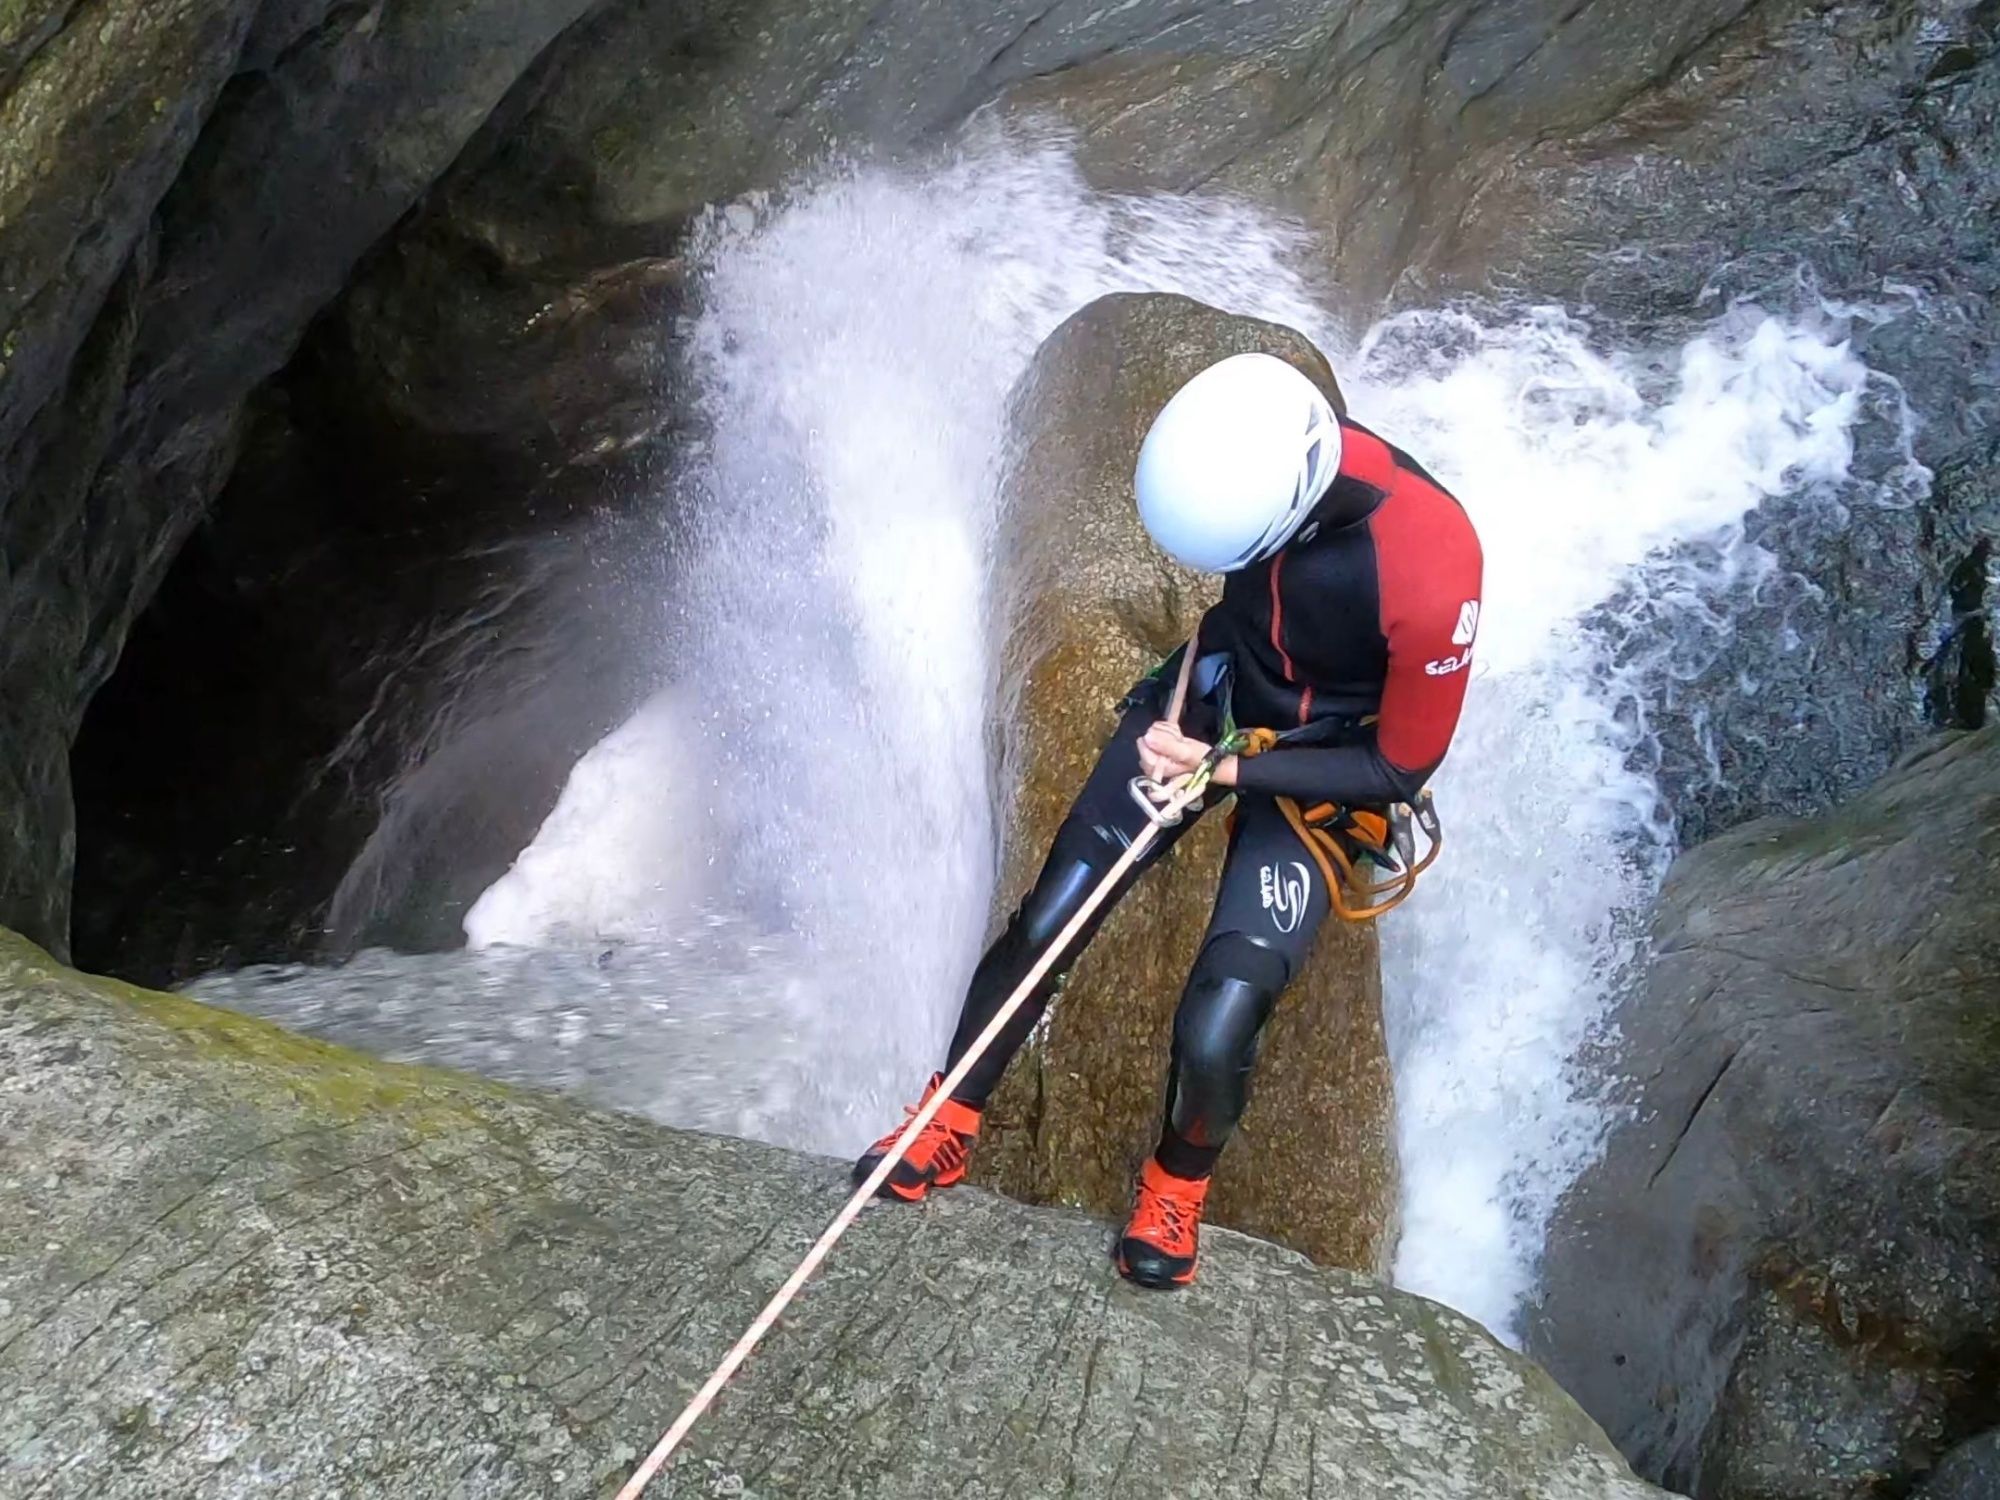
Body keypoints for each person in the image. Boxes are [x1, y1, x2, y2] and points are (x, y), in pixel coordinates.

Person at [853, 351, 1484, 1289]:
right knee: (1052, 914)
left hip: (1324, 764)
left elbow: (1399, 766)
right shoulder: (1242, 445)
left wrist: (1224, 769)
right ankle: (948, 1118)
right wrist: (1183, 718)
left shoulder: (1432, 571)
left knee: (1223, 1016)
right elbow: (1235, 615)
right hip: (1222, 692)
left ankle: (1174, 1187)